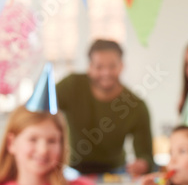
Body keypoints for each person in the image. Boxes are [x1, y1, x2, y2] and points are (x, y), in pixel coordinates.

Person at [56, 39, 154, 175]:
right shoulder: (71, 85)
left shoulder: (136, 106)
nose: (106, 73)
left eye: (112, 66)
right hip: (72, 169)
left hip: (115, 171)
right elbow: (39, 110)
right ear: (90, 67)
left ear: (121, 66)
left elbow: (146, 156)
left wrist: (142, 164)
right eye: (99, 67)